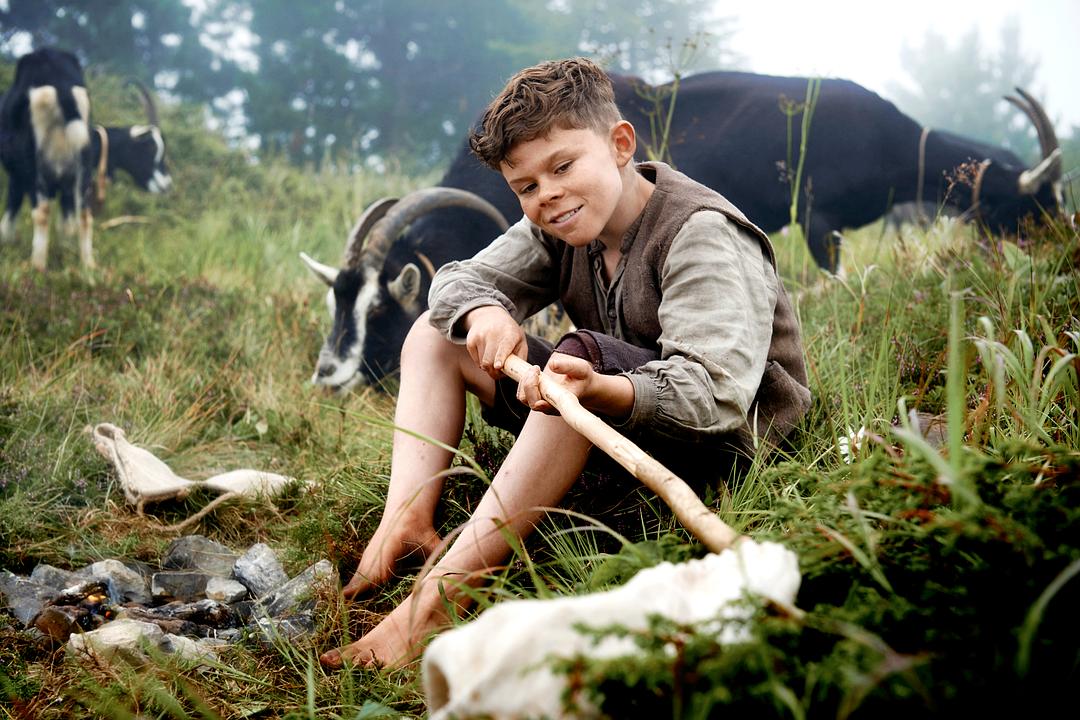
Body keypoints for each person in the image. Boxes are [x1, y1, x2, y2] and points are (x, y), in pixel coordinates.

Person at [318, 57, 811, 669]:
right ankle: (408, 520)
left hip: (724, 455)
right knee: (435, 333)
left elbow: (715, 395)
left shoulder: (700, 233)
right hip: (610, 430)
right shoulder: (560, 224)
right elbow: (456, 282)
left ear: (620, 144)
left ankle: (439, 603)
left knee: (571, 365)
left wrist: (600, 387)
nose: (547, 195)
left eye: (563, 166)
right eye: (525, 186)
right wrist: (485, 312)